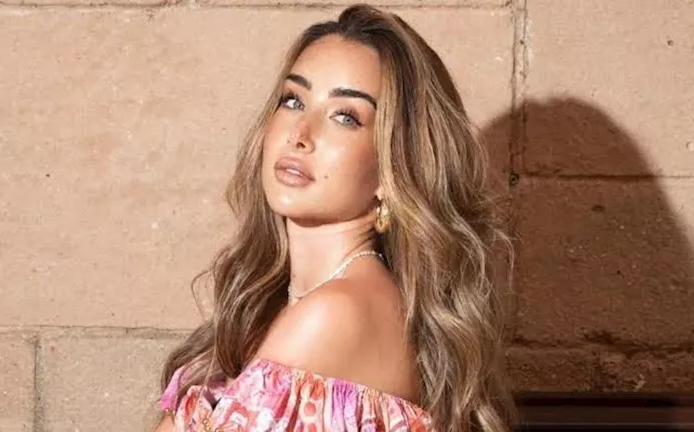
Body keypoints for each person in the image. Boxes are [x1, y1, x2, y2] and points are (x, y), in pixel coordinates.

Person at [154, 4, 516, 431]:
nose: (300, 134)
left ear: (393, 166)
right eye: (293, 100)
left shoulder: (337, 313)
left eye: (345, 117)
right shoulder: (296, 303)